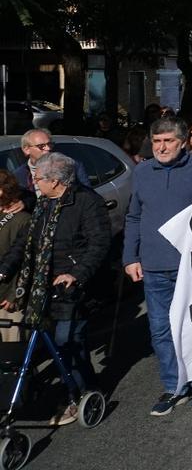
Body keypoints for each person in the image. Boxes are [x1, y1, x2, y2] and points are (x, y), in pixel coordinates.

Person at [0, 153, 110, 426]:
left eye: (38, 178)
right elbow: (25, 242)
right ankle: (75, 386)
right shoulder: (43, 204)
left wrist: (76, 273)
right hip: (45, 287)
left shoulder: (87, 202)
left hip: (74, 287)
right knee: (57, 344)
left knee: (67, 340)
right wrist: (5, 269)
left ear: (55, 181)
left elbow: (98, 244)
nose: (34, 182)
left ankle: (82, 392)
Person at [125, 117, 192, 416]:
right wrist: (130, 257)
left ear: (183, 143)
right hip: (153, 264)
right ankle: (173, 385)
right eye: (157, 141)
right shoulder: (142, 171)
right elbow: (134, 216)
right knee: (161, 329)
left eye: (168, 141)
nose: (162, 147)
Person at [0, 171, 32, 343]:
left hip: (7, 298)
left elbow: (24, 261)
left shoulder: (22, 219)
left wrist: (15, 295)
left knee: (12, 347)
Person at [13, 129, 89, 192]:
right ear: (26, 150)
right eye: (41, 146)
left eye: (50, 144)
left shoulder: (73, 165)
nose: (48, 148)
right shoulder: (19, 175)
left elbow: (87, 194)